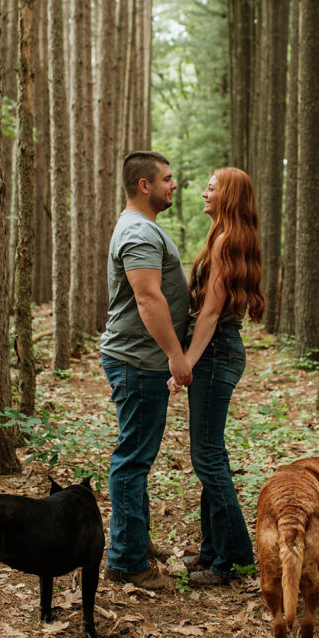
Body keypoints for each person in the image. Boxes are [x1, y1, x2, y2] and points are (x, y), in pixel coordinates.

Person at [101, 151, 192, 590]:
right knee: (133, 460)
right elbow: (147, 298)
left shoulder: (142, 227)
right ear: (144, 185)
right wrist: (176, 355)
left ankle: (134, 539)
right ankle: (126, 562)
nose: (174, 185)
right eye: (167, 179)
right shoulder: (138, 230)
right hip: (137, 360)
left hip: (139, 358)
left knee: (137, 457)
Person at [170, 167, 264, 586]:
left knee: (208, 458)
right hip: (218, 350)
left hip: (215, 350)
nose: (204, 191)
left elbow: (209, 312)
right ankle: (213, 552)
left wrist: (185, 362)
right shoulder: (225, 237)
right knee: (209, 457)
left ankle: (236, 560)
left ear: (227, 195)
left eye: (212, 186)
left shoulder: (227, 240)